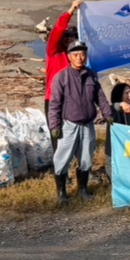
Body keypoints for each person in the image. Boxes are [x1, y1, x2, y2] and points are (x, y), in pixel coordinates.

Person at [48, 39, 113, 205]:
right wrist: (55, 126)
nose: (79, 58)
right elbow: (54, 104)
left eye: (82, 54)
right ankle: (62, 191)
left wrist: (108, 113)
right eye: (76, 54)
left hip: (88, 125)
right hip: (69, 124)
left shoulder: (91, 75)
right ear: (69, 57)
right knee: (62, 158)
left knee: (86, 158)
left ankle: (83, 188)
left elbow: (100, 97)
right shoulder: (61, 77)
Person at [44, 0, 82, 148]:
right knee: (56, 134)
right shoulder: (54, 51)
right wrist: (70, 11)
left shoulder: (79, 57)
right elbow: (57, 31)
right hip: (54, 100)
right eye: (66, 35)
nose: (69, 38)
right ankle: (60, 168)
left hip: (73, 100)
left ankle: (76, 164)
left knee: (74, 134)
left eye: (73, 36)